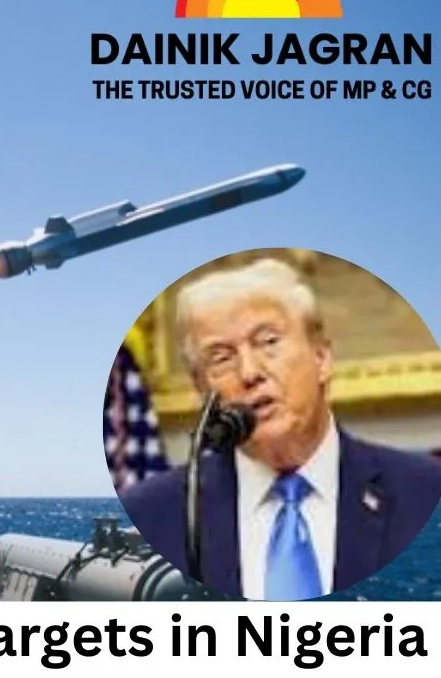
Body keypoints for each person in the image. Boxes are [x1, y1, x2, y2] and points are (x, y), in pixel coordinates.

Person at [119, 257, 441, 601]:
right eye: (221, 357)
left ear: (321, 358)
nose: (249, 372)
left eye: (268, 342)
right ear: (201, 387)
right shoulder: (146, 517)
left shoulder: (426, 492)